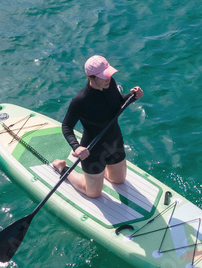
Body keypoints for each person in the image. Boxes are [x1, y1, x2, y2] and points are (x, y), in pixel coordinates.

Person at [51, 55, 143, 198]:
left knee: (118, 180)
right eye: (103, 76)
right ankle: (62, 167)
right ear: (91, 77)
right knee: (93, 193)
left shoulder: (110, 83)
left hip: (114, 142)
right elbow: (66, 126)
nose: (108, 79)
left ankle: (97, 173)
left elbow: (118, 102)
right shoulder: (80, 100)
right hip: (93, 151)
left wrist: (131, 97)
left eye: (108, 75)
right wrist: (77, 147)